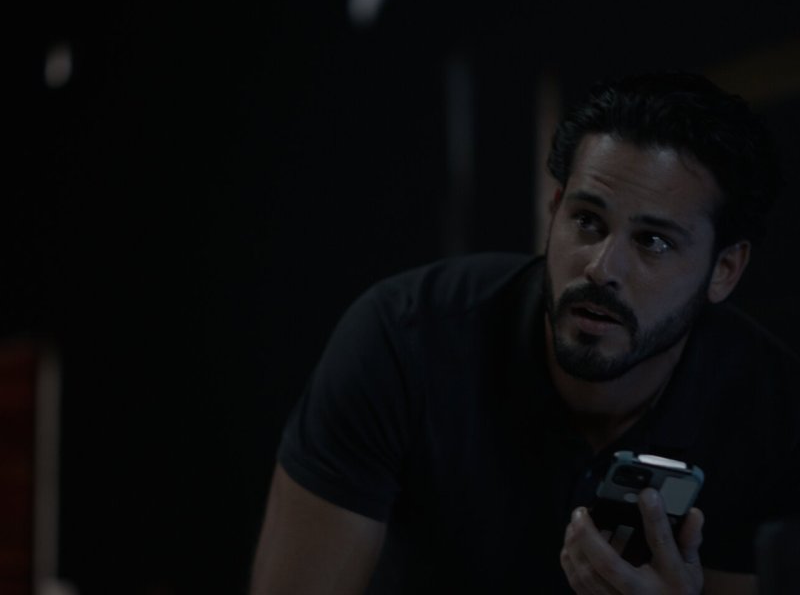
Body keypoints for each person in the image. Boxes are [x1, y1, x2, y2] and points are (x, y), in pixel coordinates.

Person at [249, 72, 800, 594]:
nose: (602, 267)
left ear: (724, 270)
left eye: (653, 241)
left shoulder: (766, 407)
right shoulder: (405, 340)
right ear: (554, 211)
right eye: (588, 221)